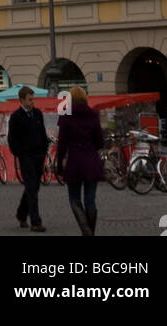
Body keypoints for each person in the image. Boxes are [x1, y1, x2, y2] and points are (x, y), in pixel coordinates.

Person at [55, 86, 105, 236]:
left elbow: (61, 143)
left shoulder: (65, 116)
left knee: (74, 198)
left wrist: (59, 165)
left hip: (74, 161)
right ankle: (90, 232)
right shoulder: (93, 114)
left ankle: (86, 230)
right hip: (91, 160)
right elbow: (100, 142)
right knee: (90, 200)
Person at [7, 86, 49, 231]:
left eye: (33, 99)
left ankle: (21, 213)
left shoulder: (37, 114)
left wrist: (45, 149)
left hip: (39, 155)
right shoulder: (16, 117)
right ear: (22, 100)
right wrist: (20, 153)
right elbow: (12, 139)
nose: (32, 102)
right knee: (31, 187)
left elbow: (42, 132)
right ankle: (36, 222)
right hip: (26, 156)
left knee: (34, 187)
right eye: (30, 99)